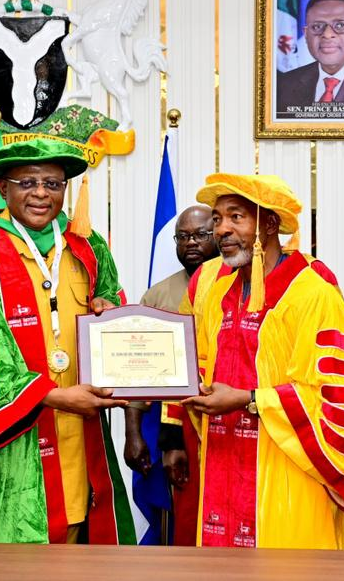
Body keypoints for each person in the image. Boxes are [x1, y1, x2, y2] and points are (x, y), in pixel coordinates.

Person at [0, 138, 136, 545]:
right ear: (3, 188)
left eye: (53, 183)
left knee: (77, 542)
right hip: (2, 455)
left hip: (76, 441)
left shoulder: (87, 246)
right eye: (27, 182)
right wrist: (50, 396)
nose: (41, 194)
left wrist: (109, 314)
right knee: (1, 563)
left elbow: (113, 303)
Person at [180, 173, 344, 549]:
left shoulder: (311, 294)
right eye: (218, 218)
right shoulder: (217, 291)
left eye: (236, 217)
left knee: (286, 563)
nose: (222, 229)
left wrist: (249, 399)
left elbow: (334, 393)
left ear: (270, 224)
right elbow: (201, 362)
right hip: (224, 457)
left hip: (291, 465)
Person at [123, 205, 217, 545]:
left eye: (201, 234)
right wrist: (133, 433)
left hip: (222, 419)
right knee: (172, 517)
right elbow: (137, 369)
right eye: (183, 237)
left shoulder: (241, 286)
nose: (191, 243)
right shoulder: (158, 295)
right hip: (166, 422)